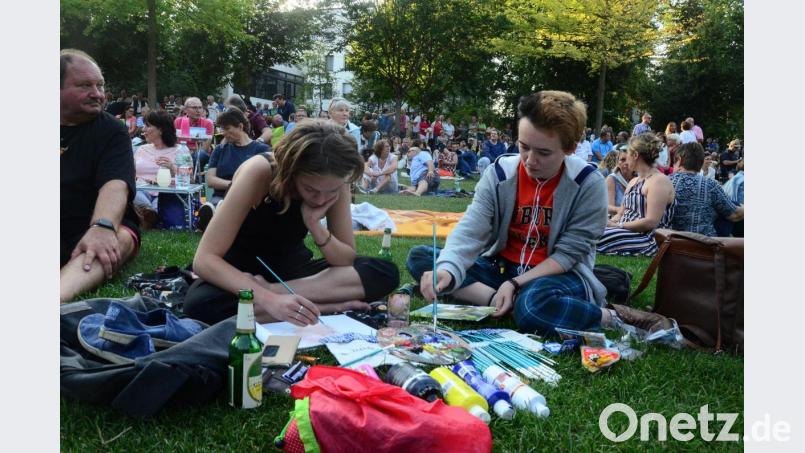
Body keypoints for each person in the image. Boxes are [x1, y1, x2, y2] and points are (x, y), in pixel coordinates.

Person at [407, 90, 671, 336]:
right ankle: (499, 301)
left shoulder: (587, 184)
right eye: (524, 147)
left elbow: (568, 256)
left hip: (557, 274)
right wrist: (449, 269)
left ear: (569, 148)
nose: (530, 160)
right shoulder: (499, 174)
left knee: (533, 305)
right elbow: (472, 229)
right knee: (422, 258)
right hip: (500, 268)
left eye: (544, 152)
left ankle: (612, 317)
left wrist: (516, 284)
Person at [183, 119, 400, 325]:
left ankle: (283, 304)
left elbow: (345, 260)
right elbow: (204, 260)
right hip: (239, 272)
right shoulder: (260, 171)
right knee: (201, 305)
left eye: (331, 191)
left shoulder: (336, 178)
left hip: (294, 273)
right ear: (291, 172)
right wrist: (267, 300)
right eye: (310, 189)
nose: (322, 199)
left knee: (382, 272)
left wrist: (315, 225)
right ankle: (325, 306)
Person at [60, 49, 141, 303]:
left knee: (117, 238)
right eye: (85, 85)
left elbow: (115, 185)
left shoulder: (112, 131)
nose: (97, 94)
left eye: (100, 85)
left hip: (94, 224)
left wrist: (102, 225)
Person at [597, 133, 676, 256]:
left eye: (627, 154)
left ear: (635, 155)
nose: (625, 159)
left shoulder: (659, 181)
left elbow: (651, 222)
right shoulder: (634, 181)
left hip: (646, 237)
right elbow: (621, 213)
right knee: (588, 230)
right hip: (626, 230)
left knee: (595, 238)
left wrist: (618, 225)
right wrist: (608, 222)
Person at [196, 108, 270, 232]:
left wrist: (240, 187)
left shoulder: (261, 150)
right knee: (218, 204)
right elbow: (210, 180)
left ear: (240, 126)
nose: (223, 133)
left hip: (249, 197)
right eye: (221, 129)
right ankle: (216, 213)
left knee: (238, 208)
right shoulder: (220, 149)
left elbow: (267, 181)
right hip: (221, 195)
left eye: (227, 128)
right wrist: (233, 185)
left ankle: (216, 217)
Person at [669, 142, 744, 237]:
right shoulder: (710, 184)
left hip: (670, 241)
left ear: (679, 160)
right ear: (701, 162)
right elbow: (734, 215)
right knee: (733, 207)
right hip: (703, 243)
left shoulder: (664, 182)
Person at [132, 110, 179, 228]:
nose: (143, 130)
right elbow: (130, 174)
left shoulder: (180, 150)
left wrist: (173, 170)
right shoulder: (141, 150)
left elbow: (191, 180)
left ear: (161, 129)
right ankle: (150, 214)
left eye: (147, 126)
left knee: (162, 202)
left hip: (166, 192)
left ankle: (148, 217)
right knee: (133, 194)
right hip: (142, 190)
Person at [175, 96, 214, 171]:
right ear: (186, 109)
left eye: (200, 107)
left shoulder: (208, 124)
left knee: (200, 155)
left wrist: (189, 150)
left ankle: (189, 175)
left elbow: (204, 148)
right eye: (194, 108)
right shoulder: (178, 121)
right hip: (181, 153)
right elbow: (175, 144)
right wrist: (189, 150)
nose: (198, 110)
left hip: (199, 155)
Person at [605, 144, 634, 216]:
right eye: (623, 160)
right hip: (617, 220)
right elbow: (608, 207)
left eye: (629, 159)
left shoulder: (640, 178)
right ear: (618, 163)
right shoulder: (611, 179)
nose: (626, 163)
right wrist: (624, 211)